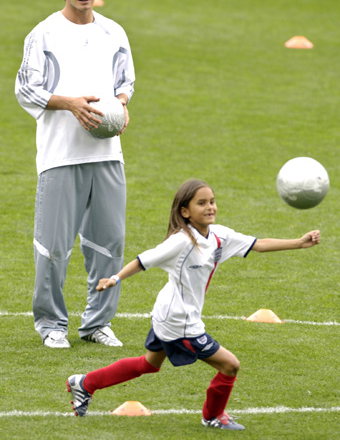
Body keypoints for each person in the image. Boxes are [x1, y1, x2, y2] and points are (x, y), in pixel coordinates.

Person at [66, 179, 320, 430]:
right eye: (201, 203)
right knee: (230, 365)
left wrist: (299, 242)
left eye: (212, 201)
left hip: (166, 314)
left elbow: (258, 244)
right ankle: (213, 416)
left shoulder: (220, 235)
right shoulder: (181, 241)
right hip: (180, 321)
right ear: (185, 212)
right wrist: (114, 279)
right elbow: (144, 260)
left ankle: (85, 383)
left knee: (149, 364)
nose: (210, 207)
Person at [15, 0, 135, 349]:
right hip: (60, 156)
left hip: (107, 154)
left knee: (110, 242)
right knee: (53, 247)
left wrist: (120, 109)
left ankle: (97, 323)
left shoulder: (114, 33)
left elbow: (125, 81)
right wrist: (70, 103)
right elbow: (26, 89)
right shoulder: (44, 34)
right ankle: (51, 324)